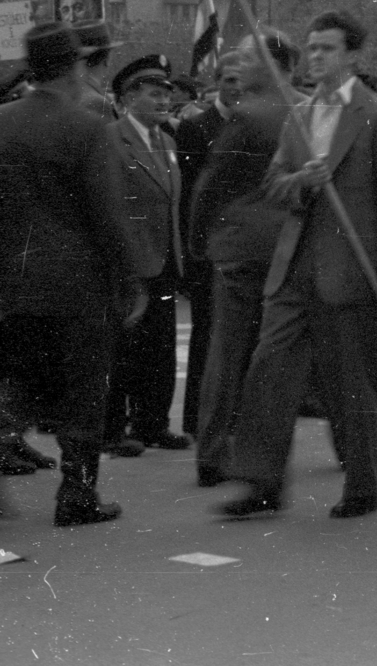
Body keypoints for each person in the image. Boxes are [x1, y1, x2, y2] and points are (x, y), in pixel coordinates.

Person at [219, 10, 377, 521]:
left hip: (351, 269)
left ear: (352, 55)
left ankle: (362, 484)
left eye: (327, 48)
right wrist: (302, 180)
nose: (316, 57)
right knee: (269, 366)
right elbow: (273, 184)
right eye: (312, 48)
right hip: (295, 264)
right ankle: (260, 481)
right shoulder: (298, 115)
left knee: (349, 380)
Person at [0, 22, 136, 525]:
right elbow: (106, 214)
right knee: (83, 388)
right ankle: (77, 495)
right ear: (75, 67)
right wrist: (127, 279)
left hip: (11, 282)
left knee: (21, 377)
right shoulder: (86, 128)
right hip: (78, 283)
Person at [190, 32, 300, 488]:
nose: (239, 65)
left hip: (242, 248)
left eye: (248, 58)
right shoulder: (308, 110)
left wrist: (197, 240)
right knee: (280, 356)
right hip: (290, 244)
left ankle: (213, 451)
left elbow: (210, 186)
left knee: (227, 352)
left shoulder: (249, 114)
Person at [103, 55, 189, 455]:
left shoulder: (167, 141)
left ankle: (153, 423)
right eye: (155, 94)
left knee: (161, 346)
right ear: (129, 97)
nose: (164, 102)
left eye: (166, 95)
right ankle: (114, 430)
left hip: (165, 259)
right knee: (124, 350)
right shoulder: (111, 139)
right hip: (131, 261)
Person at [175, 52, 242, 439]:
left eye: (240, 80)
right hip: (209, 248)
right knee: (206, 335)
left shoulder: (255, 125)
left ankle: (231, 417)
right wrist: (193, 249)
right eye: (228, 80)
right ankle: (196, 419)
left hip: (242, 246)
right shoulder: (196, 128)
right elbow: (189, 198)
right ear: (216, 82)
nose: (235, 87)